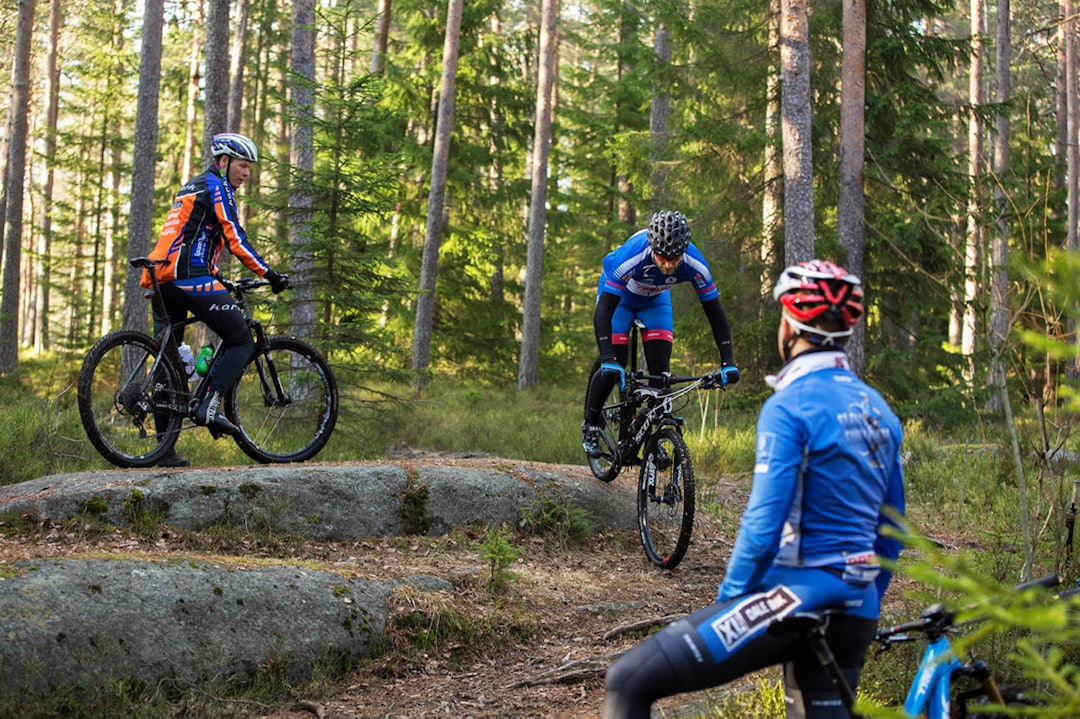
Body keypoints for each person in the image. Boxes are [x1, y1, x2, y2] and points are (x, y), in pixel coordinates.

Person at [602, 259, 906, 719]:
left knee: (628, 681)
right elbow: (891, 528)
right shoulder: (878, 408)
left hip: (798, 598)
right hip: (857, 609)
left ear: (790, 327)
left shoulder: (790, 406)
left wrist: (730, 602)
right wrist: (866, 603)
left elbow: (764, 523)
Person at [140, 132, 290, 467]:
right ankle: (208, 404)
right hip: (189, 277)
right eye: (242, 165)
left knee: (169, 362)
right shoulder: (217, 185)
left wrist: (219, 278)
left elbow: (190, 237)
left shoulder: (192, 186)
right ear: (224, 162)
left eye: (249, 167)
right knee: (242, 339)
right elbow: (235, 238)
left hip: (162, 277)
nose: (246, 173)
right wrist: (269, 273)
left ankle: (164, 451)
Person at [582, 210, 740, 458]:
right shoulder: (632, 254)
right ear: (652, 247)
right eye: (662, 258)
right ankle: (591, 425)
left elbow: (715, 313)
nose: (667, 266)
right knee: (614, 364)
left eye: (674, 259)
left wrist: (727, 361)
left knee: (661, 373)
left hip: (655, 302)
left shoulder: (695, 263)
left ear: (683, 251)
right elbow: (603, 311)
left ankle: (651, 439)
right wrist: (607, 357)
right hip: (620, 301)